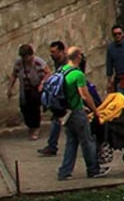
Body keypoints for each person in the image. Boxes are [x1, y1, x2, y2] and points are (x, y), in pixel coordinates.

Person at [57, 47, 107, 180]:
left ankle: (64, 172)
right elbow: (85, 96)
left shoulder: (62, 70)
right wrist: (95, 110)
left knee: (71, 142)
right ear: (78, 56)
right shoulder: (78, 74)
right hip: (76, 113)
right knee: (88, 141)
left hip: (65, 112)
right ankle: (93, 170)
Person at [7, 43, 47, 140]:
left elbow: (48, 74)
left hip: (36, 88)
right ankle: (30, 126)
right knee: (24, 108)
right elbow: (14, 75)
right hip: (25, 89)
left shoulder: (39, 62)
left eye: (27, 57)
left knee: (34, 109)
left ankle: (35, 129)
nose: (26, 59)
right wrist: (10, 88)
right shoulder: (19, 63)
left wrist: (42, 83)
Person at [37, 41, 68, 155]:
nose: (51, 54)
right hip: (61, 97)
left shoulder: (67, 63)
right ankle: (52, 146)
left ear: (61, 51)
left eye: (54, 52)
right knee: (56, 120)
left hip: (68, 97)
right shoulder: (58, 62)